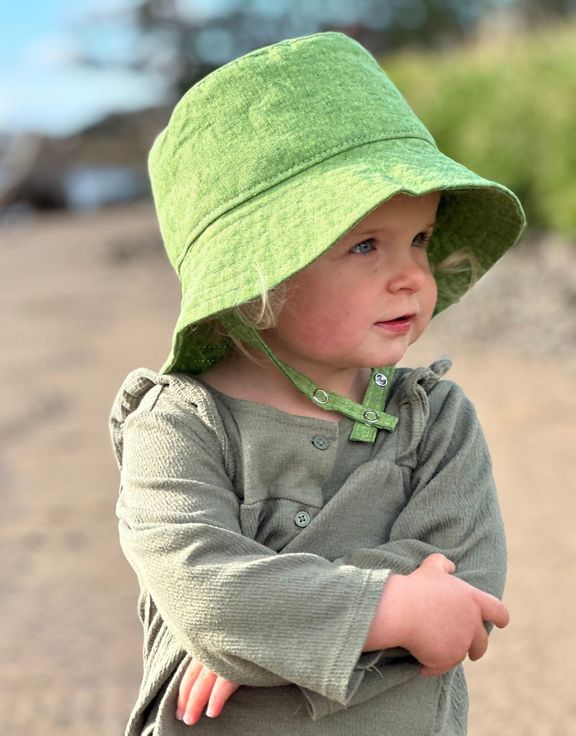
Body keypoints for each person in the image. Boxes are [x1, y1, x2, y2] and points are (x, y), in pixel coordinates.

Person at [109, 32, 526, 736]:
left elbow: (464, 584)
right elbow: (204, 590)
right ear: (257, 279)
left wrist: (266, 631)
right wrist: (391, 608)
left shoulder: (436, 419)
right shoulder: (177, 425)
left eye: (420, 239)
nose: (412, 277)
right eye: (365, 245)